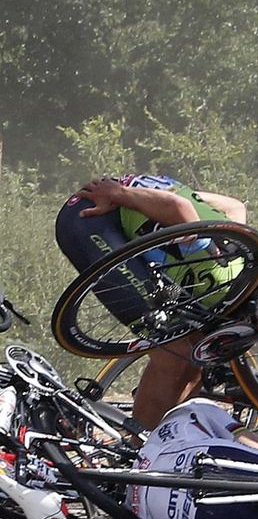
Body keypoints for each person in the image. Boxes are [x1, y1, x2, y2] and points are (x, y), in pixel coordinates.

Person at [55, 174, 247, 429]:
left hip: (133, 207)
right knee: (174, 353)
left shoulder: (246, 244)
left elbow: (236, 206)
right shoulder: (226, 271)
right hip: (93, 217)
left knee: (196, 354)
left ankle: (167, 438)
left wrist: (176, 198)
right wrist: (122, 195)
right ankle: (139, 453)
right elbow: (180, 208)